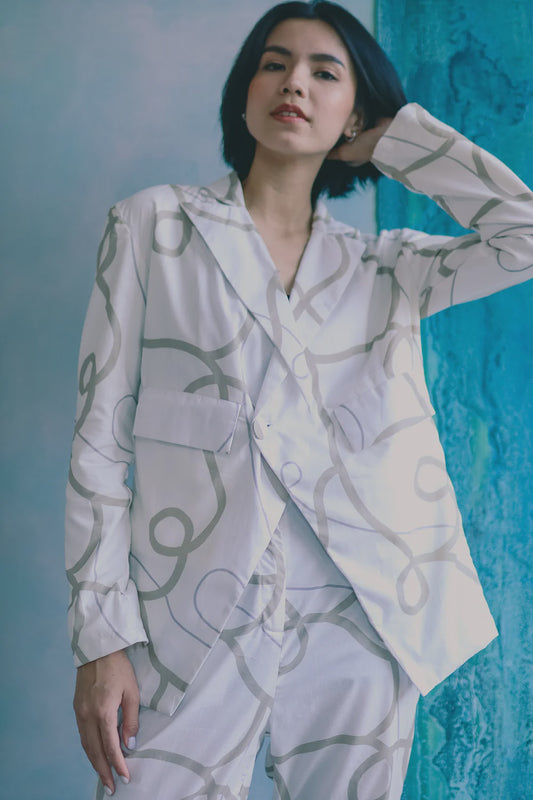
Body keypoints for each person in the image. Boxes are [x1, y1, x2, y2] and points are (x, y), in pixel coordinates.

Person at [65, 2, 533, 798]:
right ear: (244, 93)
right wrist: (101, 639)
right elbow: (99, 444)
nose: (294, 84)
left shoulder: (385, 269)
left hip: (364, 611)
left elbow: (521, 233)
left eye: (325, 72)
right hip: (191, 609)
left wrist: (394, 141)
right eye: (274, 63)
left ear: (355, 113)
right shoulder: (154, 226)